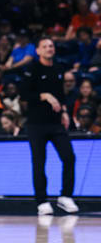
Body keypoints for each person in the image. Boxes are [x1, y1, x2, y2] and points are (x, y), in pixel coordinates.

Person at [19, 38, 78, 216]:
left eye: (51, 46)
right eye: (44, 46)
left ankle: (66, 196)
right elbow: (24, 94)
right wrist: (44, 95)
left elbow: (60, 94)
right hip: (36, 124)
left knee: (69, 157)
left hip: (55, 123)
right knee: (39, 162)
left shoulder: (58, 69)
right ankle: (42, 201)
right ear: (37, 51)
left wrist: (65, 112)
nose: (49, 49)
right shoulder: (31, 69)